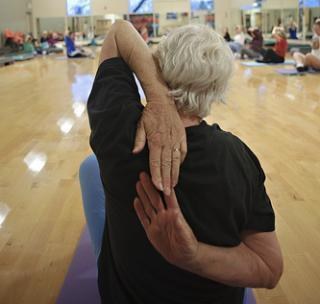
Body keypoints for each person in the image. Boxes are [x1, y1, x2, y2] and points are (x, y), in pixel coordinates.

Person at [87, 20, 283, 304]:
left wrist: (157, 96)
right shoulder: (235, 156)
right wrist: (194, 257)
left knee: (88, 169)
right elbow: (269, 270)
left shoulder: (118, 130)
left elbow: (119, 33)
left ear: (158, 67)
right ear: (217, 89)